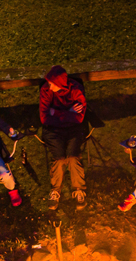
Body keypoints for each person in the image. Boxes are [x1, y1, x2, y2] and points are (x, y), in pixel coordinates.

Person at [39, 65, 88, 211]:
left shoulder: (76, 90)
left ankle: (79, 190)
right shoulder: (46, 90)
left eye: (52, 83)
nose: (49, 85)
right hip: (53, 130)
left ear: (60, 83)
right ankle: (55, 191)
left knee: (72, 157)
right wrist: (69, 113)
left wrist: (56, 113)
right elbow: (44, 118)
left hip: (74, 129)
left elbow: (79, 118)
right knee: (60, 159)